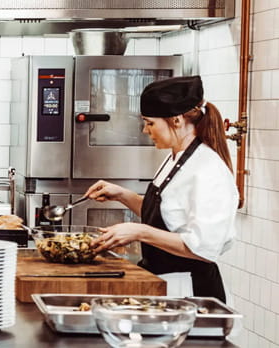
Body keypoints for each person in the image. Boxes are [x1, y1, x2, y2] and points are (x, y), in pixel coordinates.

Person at [84, 76, 237, 303]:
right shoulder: (175, 158)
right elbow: (166, 214)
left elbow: (202, 248)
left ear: (176, 120)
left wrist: (139, 232)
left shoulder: (208, 169)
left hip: (190, 292)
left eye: (150, 123)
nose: (146, 130)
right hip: (163, 282)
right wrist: (122, 195)